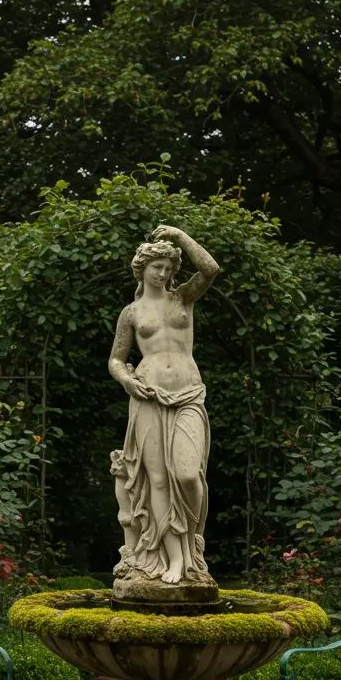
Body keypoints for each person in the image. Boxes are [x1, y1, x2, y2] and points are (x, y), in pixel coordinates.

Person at [108, 225, 219, 586]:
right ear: (142, 268)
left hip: (188, 395)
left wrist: (181, 237)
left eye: (169, 268)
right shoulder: (131, 313)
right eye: (157, 266)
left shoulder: (182, 298)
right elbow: (116, 360)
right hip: (149, 398)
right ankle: (173, 559)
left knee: (188, 475)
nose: (164, 273)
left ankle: (193, 543)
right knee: (157, 479)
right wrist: (128, 381)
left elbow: (210, 269)